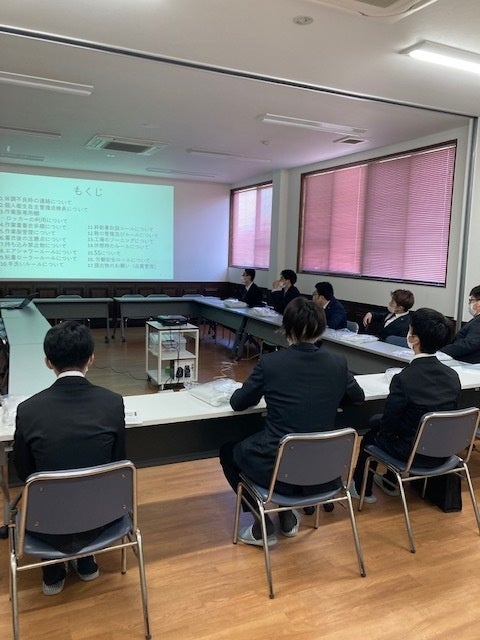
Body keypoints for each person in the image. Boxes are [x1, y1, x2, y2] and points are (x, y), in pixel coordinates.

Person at [219, 297, 365, 546]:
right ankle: (286, 515)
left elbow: (239, 402)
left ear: (286, 329)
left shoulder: (271, 363)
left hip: (277, 464)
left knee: (229, 451)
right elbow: (357, 398)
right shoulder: (338, 363)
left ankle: (261, 522)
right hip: (323, 468)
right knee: (289, 454)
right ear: (322, 329)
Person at [13, 320, 126, 596]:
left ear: (47, 362)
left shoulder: (28, 410)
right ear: (92, 359)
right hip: (103, 518)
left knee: (44, 492)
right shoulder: (113, 403)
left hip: (46, 524)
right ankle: (86, 561)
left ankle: (52, 571)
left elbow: (24, 472)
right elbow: (118, 461)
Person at [351, 307, 461, 502]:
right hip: (443, 450)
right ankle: (389, 482)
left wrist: (377, 424)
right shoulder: (452, 376)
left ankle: (362, 490)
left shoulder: (404, 378)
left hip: (411, 453)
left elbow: (389, 423)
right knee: (399, 427)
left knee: (371, 435)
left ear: (414, 339)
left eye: (409, 329)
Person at [440, 285, 480, 364]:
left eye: (471, 300)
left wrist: (442, 351)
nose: (469, 303)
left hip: (467, 364)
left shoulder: (478, 321)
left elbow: (469, 344)